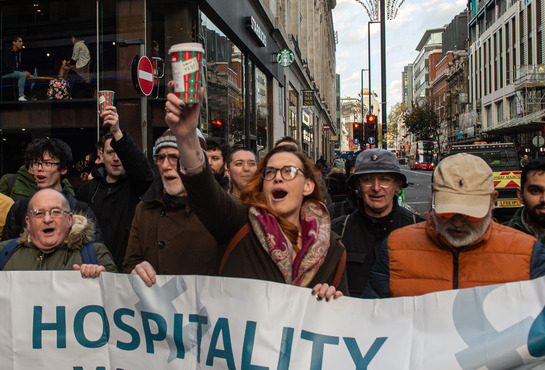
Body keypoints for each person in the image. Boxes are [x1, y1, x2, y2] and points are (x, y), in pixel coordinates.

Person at [162, 83, 347, 299]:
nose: (278, 177)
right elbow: (204, 192)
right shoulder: (239, 222)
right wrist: (187, 138)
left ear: (308, 185)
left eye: (288, 171)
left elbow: (343, 321)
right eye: (270, 172)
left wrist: (333, 301)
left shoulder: (333, 249)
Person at [363, 153, 545, 298]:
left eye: (470, 213)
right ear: (433, 196)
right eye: (447, 211)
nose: (458, 222)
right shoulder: (396, 247)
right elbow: (371, 318)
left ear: (492, 201)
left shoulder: (527, 252)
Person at [124, 130, 223, 284]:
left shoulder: (218, 211)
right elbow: (130, 264)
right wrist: (137, 269)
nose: (165, 165)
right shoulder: (144, 209)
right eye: (161, 157)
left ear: (196, 164)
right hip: (156, 306)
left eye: (174, 157)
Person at [331, 149, 424, 297]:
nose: (376, 188)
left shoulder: (419, 230)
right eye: (367, 180)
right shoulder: (337, 232)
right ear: (358, 187)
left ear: (397, 186)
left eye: (385, 179)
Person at [0, 189, 116, 277]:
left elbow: (117, 300)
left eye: (56, 212)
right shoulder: (5, 253)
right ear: (28, 222)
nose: (47, 219)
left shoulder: (95, 255)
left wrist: (102, 279)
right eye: (38, 213)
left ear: (69, 219)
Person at [76, 105, 154, 270]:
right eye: (110, 153)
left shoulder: (137, 186)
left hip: (129, 271)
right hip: (94, 271)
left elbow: (146, 175)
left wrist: (117, 132)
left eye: (120, 153)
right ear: (101, 155)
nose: (116, 158)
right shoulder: (87, 190)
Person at [2, 138, 102, 241]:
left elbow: (95, 252)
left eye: (47, 163)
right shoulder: (20, 209)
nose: (40, 168)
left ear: (63, 169)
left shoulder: (81, 210)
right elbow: (8, 251)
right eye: (36, 163)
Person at [2, 36, 32, 101]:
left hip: (15, 71)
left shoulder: (18, 53)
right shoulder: (8, 52)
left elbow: (18, 66)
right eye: (19, 41)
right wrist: (22, 72)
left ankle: (30, 95)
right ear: (14, 43)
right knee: (22, 75)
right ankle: (21, 96)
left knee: (31, 77)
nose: (21, 43)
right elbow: (8, 67)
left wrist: (23, 71)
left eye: (22, 42)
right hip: (7, 72)